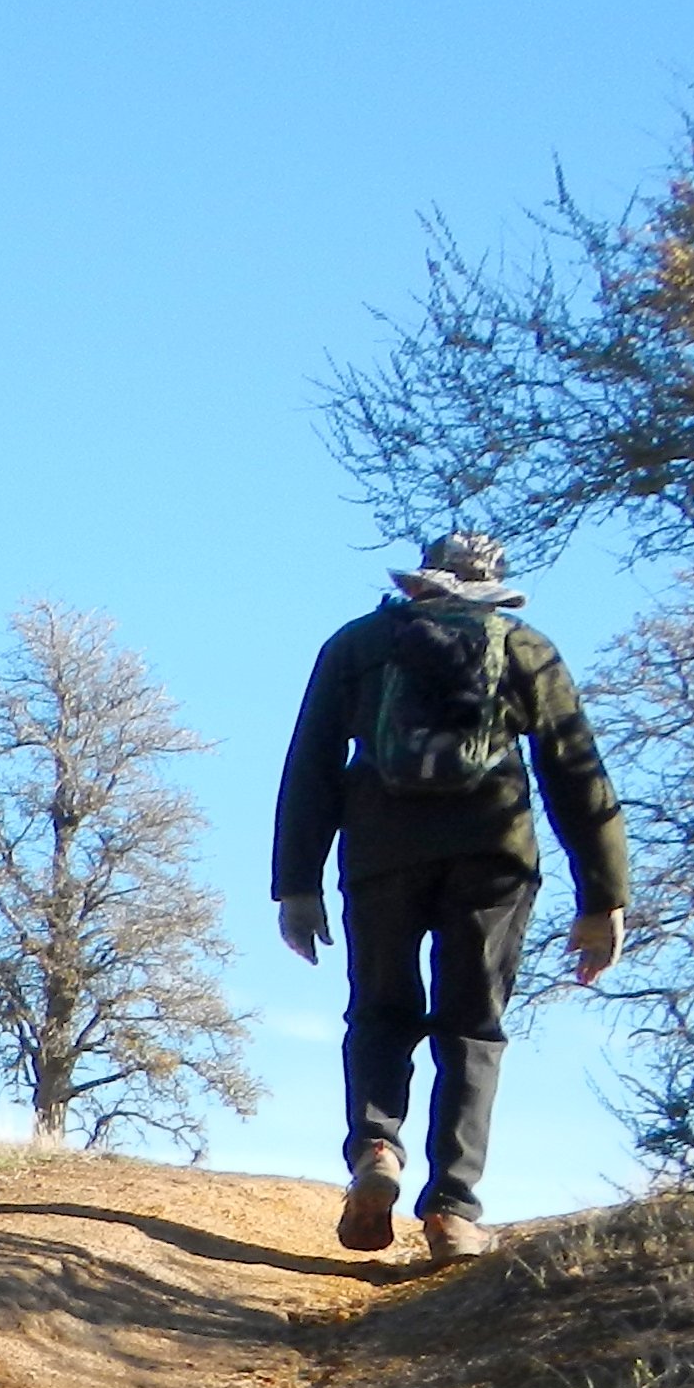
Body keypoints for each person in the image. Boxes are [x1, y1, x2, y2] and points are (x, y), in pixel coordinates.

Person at [271, 530, 630, 1263]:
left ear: (422, 578)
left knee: (379, 1012)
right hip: (493, 857)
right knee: (472, 1027)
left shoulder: (358, 645)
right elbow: (575, 773)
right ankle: (453, 1210)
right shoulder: (526, 649)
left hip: (381, 854)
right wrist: (603, 896)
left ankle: (376, 1149)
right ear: (494, 585)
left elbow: (311, 762)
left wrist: (297, 884)